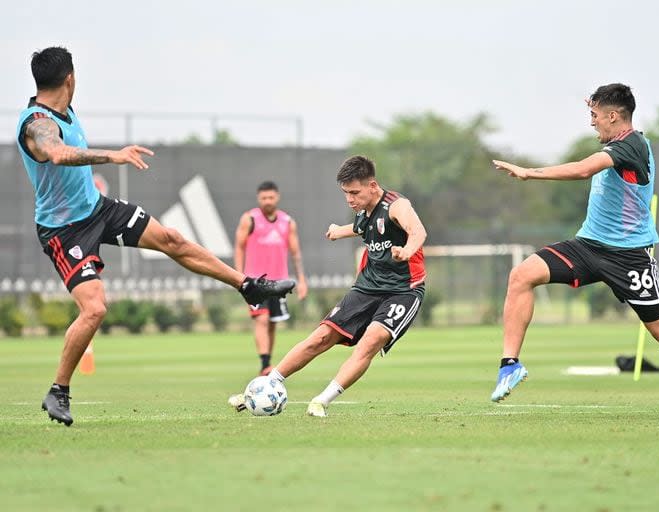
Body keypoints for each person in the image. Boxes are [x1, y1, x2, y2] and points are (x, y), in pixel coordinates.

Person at [16, 46, 294, 427]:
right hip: (63, 231)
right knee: (95, 308)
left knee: (173, 239)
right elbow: (58, 154)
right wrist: (113, 157)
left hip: (98, 209)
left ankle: (247, 285)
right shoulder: (36, 123)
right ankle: (58, 390)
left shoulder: (65, 110)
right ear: (70, 78)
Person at [491, 83, 659, 421]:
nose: (592, 122)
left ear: (613, 116)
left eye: (595, 116)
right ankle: (510, 365)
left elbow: (583, 168)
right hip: (588, 246)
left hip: (629, 255)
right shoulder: (613, 140)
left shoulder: (632, 145)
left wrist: (529, 172)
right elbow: (594, 148)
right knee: (522, 275)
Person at [229, 155, 427, 417]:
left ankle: (321, 401)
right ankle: (267, 385)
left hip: (403, 291)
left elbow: (418, 231)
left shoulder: (397, 206)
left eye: (354, 192)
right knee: (321, 336)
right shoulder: (363, 211)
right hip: (367, 287)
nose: (350, 199)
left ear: (372, 185)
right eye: (345, 193)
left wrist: (407, 250)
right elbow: (360, 227)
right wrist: (337, 231)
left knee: (370, 341)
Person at [234, 181, 308, 376]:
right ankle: (265, 364)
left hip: (278, 283)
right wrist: (239, 278)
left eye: (271, 197)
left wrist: (301, 280)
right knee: (262, 319)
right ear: (259, 199)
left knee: (273, 322)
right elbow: (239, 247)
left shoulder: (287, 222)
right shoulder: (249, 219)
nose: (267, 201)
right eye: (264, 198)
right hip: (255, 282)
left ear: (277, 197)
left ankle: (267, 362)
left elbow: (295, 252)